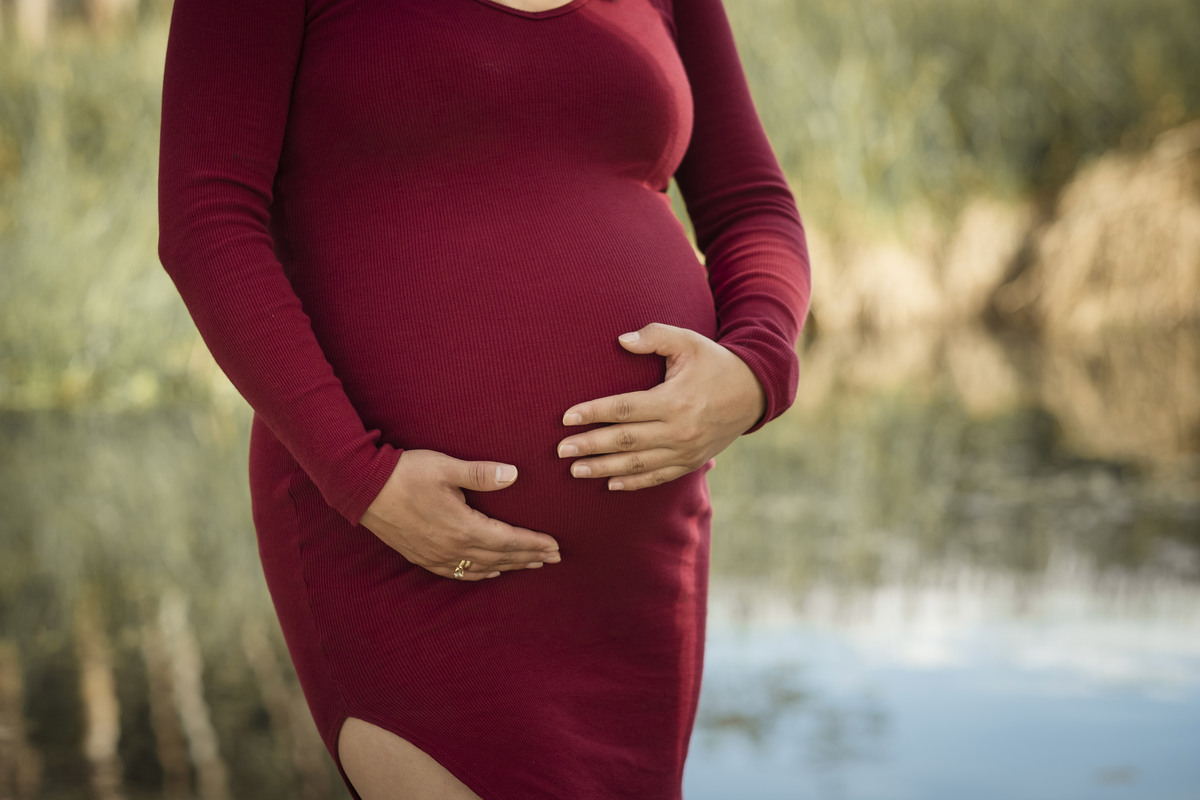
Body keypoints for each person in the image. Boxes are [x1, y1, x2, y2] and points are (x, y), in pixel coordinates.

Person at [157, 0, 811, 797]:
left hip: (635, 570)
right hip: (394, 540)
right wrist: (361, 479)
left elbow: (751, 203)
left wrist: (754, 372)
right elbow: (207, 218)